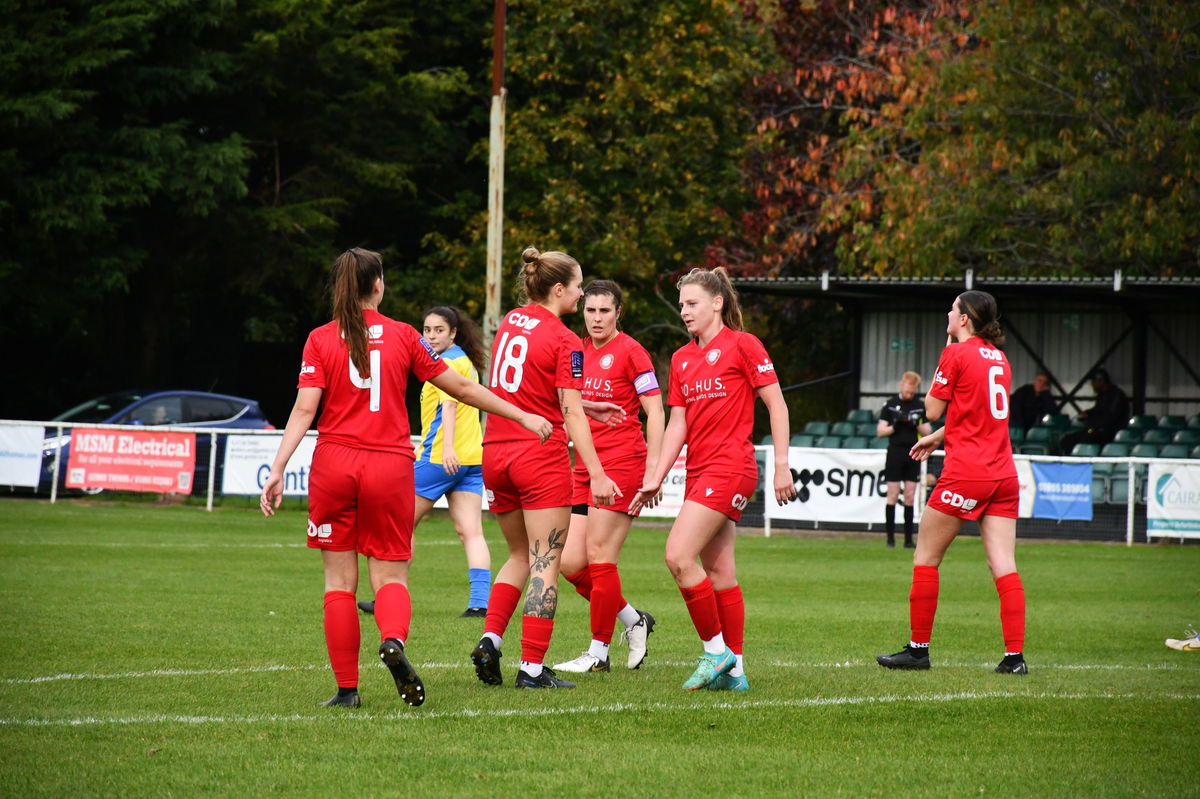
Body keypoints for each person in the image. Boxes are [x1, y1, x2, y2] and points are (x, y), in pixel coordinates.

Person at [260, 248, 552, 709]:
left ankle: (347, 691)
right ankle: (393, 640)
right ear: (378, 285)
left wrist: (277, 468)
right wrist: (521, 414)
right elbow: (463, 387)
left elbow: (303, 408)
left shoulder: (319, 339)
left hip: (334, 464)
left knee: (339, 582)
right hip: (389, 466)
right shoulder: (402, 336)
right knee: (391, 572)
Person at [629, 267, 796, 692]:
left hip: (731, 468)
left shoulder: (744, 345)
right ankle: (735, 672)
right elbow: (678, 426)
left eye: (692, 303)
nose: (684, 311)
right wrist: (656, 476)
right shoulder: (683, 359)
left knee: (677, 556)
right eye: (682, 304)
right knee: (719, 571)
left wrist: (781, 465)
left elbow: (776, 405)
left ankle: (715, 651)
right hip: (700, 471)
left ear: (717, 303)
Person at [469, 247, 621, 690]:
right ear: (559, 289)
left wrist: (586, 404)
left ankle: (491, 640)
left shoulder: (512, 322)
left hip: (496, 450)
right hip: (538, 454)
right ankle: (532, 668)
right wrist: (596, 471)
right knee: (545, 562)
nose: (580, 294)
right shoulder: (566, 340)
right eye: (577, 286)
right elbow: (567, 412)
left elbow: (526, 388)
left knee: (518, 555)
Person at [876, 290, 1028, 676]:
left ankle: (918, 650)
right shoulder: (1000, 358)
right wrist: (939, 436)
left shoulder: (956, 353)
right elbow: (978, 414)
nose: (948, 311)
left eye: (953, 308)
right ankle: (1014, 659)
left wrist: (944, 355)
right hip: (1003, 474)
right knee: (1003, 566)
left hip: (967, 472)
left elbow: (931, 408)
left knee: (926, 557)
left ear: (964, 319)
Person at [551, 280, 665, 675]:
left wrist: (654, 470)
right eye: (590, 310)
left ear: (618, 313)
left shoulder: (632, 352)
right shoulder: (577, 350)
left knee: (600, 557)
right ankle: (634, 619)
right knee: (568, 564)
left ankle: (598, 653)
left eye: (605, 311)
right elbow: (565, 401)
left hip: (621, 464)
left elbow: (656, 411)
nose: (596, 318)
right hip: (584, 466)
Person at [357, 306, 493, 618]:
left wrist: (446, 449)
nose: (431, 336)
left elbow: (448, 406)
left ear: (453, 333)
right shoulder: (466, 361)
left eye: (438, 330)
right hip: (472, 459)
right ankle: (479, 604)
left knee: (399, 525)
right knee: (471, 532)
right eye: (427, 330)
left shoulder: (445, 363)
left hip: (440, 459)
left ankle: (387, 598)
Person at [877, 371, 932, 549]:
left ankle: (908, 539)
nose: (909, 394)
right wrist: (895, 425)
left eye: (912, 391)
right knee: (892, 494)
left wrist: (916, 423)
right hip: (894, 452)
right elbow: (880, 431)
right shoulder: (891, 405)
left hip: (912, 453)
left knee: (909, 495)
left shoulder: (919, 406)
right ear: (902, 385)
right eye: (907, 390)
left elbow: (928, 432)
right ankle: (890, 539)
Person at [1057, 368, 1129, 455]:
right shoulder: (1101, 394)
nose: (1092, 384)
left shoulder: (1116, 394)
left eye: (1093, 381)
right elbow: (1097, 409)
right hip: (1097, 430)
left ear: (1101, 381)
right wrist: (1087, 413)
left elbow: (1111, 417)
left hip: (1110, 432)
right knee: (1067, 439)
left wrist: (1092, 420)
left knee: (1086, 439)